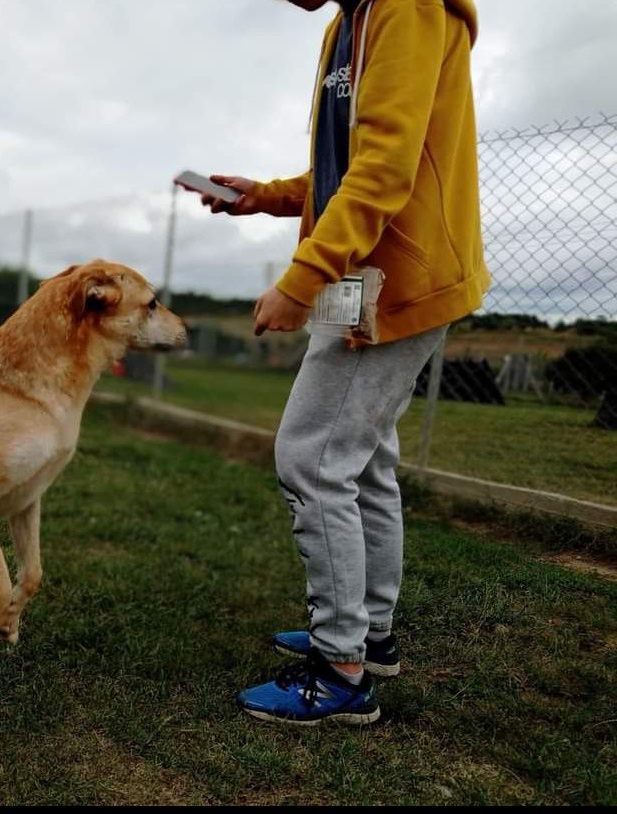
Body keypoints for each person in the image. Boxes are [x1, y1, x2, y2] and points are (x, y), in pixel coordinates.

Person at [200, 0, 487, 725]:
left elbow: (388, 168)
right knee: (363, 462)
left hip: (392, 277)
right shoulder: (349, 21)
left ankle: (340, 670)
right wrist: (263, 197)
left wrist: (300, 279)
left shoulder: (408, 8)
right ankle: (370, 634)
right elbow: (346, 166)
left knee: (312, 457)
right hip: (359, 278)